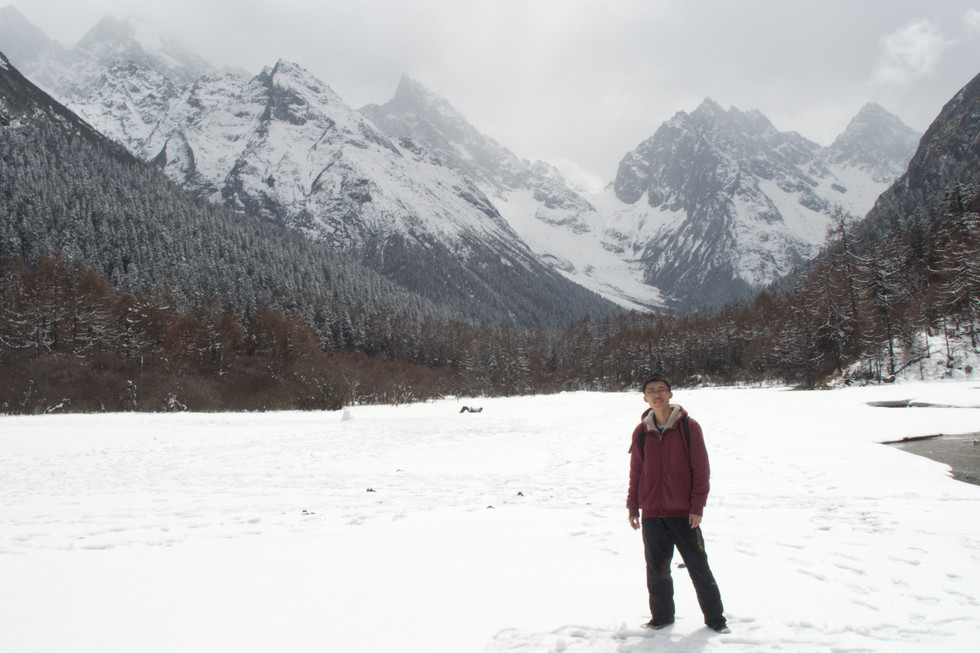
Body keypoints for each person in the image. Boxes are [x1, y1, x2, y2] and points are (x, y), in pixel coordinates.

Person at [627, 374, 729, 633]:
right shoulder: (641, 432)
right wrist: (633, 506)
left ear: (670, 394)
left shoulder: (688, 427)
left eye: (662, 389)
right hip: (652, 513)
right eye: (651, 391)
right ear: (645, 398)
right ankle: (661, 617)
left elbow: (701, 470)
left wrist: (697, 507)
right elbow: (636, 472)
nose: (657, 394)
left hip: (684, 513)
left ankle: (716, 619)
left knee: (699, 567)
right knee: (657, 570)